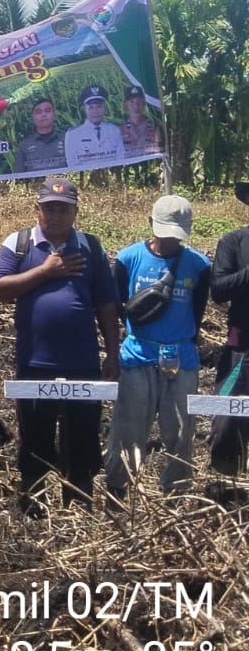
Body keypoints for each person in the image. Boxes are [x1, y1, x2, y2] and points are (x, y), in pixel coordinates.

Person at [0, 177, 121, 510]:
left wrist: (113, 353)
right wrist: (46, 271)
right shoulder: (18, 243)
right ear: (37, 210)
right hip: (35, 362)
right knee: (35, 435)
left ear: (75, 212)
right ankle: (33, 505)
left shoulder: (91, 246)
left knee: (83, 436)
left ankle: (78, 505)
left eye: (63, 209)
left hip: (83, 361)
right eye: (49, 209)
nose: (55, 216)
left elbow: (106, 303)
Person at [105, 196, 212, 502]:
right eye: (163, 233)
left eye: (175, 236)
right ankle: (118, 491)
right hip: (137, 356)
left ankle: (176, 494)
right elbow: (116, 307)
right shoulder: (128, 259)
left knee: (180, 432)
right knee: (129, 428)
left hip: (181, 358)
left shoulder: (199, 265)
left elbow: (197, 309)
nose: (168, 241)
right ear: (151, 224)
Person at [208, 181, 249, 473]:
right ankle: (224, 486)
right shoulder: (233, 242)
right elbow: (219, 289)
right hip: (240, 346)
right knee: (227, 418)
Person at [63, 85, 123, 171]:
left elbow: (120, 158)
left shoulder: (114, 130)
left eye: (99, 106)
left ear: (104, 108)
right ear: (84, 109)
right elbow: (72, 164)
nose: (95, 111)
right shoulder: (73, 134)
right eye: (91, 107)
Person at [14, 95, 67, 174]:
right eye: (38, 112)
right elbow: (18, 175)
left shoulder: (67, 139)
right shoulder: (24, 145)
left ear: (54, 114)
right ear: (33, 117)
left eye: (47, 111)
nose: (43, 115)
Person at [119, 85, 161, 157]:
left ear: (144, 103)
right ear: (126, 104)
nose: (136, 106)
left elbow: (160, 150)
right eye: (132, 102)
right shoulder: (121, 129)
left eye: (139, 102)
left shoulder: (154, 127)